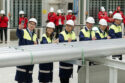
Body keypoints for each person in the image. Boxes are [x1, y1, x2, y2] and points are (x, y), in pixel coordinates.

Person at [15, 18, 38, 83]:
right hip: (23, 58)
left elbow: (36, 46)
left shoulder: (35, 35)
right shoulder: (23, 31)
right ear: (28, 24)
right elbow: (18, 34)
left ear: (35, 26)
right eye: (31, 23)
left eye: (33, 24)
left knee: (28, 79)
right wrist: (19, 29)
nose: (32, 25)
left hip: (30, 60)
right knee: (21, 79)